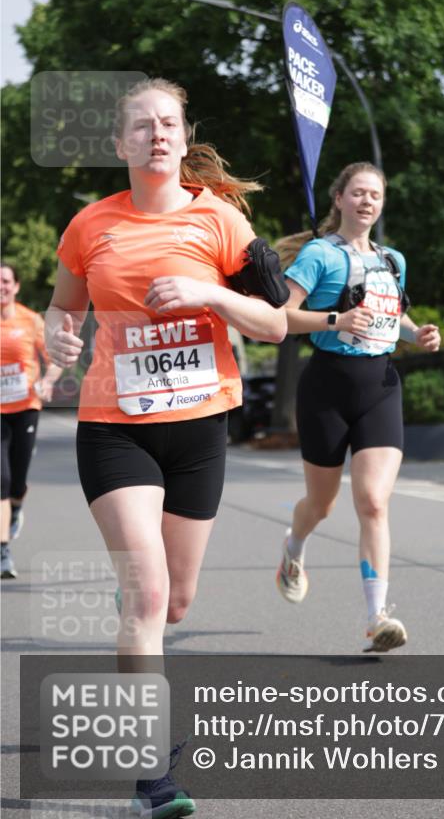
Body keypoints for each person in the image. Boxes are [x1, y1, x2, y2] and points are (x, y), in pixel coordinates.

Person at [45, 78, 287, 817]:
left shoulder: (220, 222)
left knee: (174, 601)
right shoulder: (90, 224)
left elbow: (275, 325)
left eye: (169, 124)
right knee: (149, 595)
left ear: (184, 140)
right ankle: (151, 776)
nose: (156, 133)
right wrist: (59, 337)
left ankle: (138, 598)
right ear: (120, 144)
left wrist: (211, 295)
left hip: (199, 428)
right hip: (114, 425)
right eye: (143, 125)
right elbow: (62, 309)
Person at [275, 162, 441, 652]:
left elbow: (394, 316)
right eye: (359, 193)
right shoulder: (319, 254)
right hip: (326, 390)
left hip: (381, 388)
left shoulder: (393, 260)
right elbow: (279, 317)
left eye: (375, 195)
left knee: (372, 501)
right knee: (321, 506)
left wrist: (417, 333)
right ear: (339, 198)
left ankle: (377, 617)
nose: (367, 201)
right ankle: (294, 545)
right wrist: (335, 319)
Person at [1, 262, 62, 579]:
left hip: (26, 407)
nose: (1, 287)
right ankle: (3, 550)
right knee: (1, 479)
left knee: (18, 482)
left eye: (5, 281)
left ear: (16, 286)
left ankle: (16, 508)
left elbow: (55, 359)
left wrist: (48, 382)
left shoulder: (30, 320)